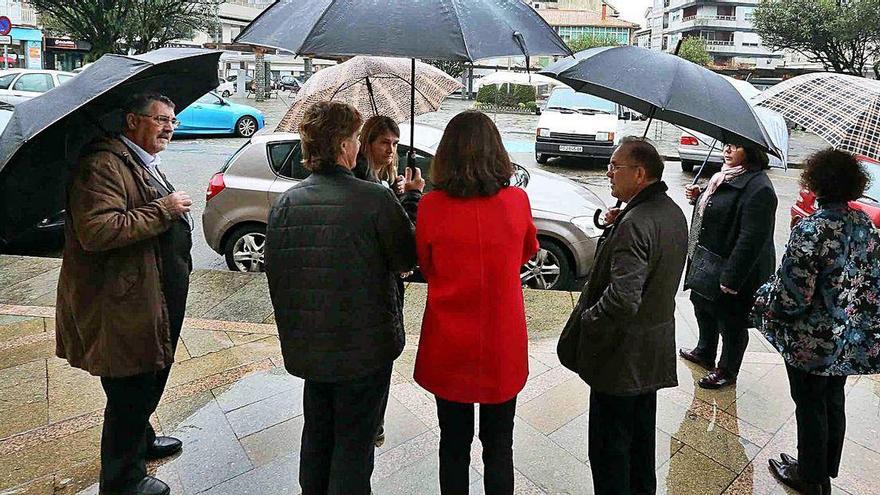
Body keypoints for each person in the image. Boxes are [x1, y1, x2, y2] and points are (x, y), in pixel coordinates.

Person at [264, 101, 416, 494]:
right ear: (345, 145)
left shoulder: (286, 203)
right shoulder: (374, 200)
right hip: (364, 349)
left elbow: (278, 275)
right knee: (354, 443)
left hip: (310, 346)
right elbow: (406, 259)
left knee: (317, 434)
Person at [55, 93, 193, 495]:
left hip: (148, 294)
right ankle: (122, 479)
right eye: (160, 120)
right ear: (132, 121)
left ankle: (141, 439)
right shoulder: (102, 165)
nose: (168, 127)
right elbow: (96, 231)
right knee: (130, 387)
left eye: (172, 120)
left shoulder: (137, 160)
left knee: (148, 373)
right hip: (120, 302)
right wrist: (163, 209)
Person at [413, 110, 539, 494]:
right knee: (500, 446)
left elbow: (426, 265)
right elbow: (527, 251)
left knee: (452, 445)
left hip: (449, 341)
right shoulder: (517, 201)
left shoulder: (431, 206)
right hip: (501, 343)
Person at [557, 137, 688, 495]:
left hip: (621, 357)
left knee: (609, 449)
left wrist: (589, 320)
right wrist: (617, 222)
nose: (609, 171)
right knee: (641, 443)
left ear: (640, 173)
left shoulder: (637, 222)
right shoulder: (671, 211)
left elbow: (623, 299)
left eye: (616, 166)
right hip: (652, 350)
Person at [753, 149, 880, 495]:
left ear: (816, 182)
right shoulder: (864, 225)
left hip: (812, 342)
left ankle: (811, 478)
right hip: (847, 338)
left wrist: (765, 299)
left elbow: (792, 299)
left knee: (809, 405)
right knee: (831, 400)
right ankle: (824, 469)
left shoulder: (813, 228)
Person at [679, 143, 778, 389]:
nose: (728, 150)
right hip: (708, 260)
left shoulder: (759, 188)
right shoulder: (721, 177)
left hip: (734, 267)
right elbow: (718, 209)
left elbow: (752, 239)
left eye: (736, 147)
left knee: (730, 320)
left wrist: (731, 278)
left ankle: (727, 369)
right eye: (726, 145)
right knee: (701, 305)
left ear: (752, 152)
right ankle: (704, 351)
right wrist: (699, 196)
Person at [355, 115, 425, 447]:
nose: (391, 150)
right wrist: (411, 198)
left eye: (395, 144)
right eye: (385, 142)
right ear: (365, 142)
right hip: (376, 296)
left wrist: (395, 195)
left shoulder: (377, 181)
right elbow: (402, 243)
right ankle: (371, 427)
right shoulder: (367, 183)